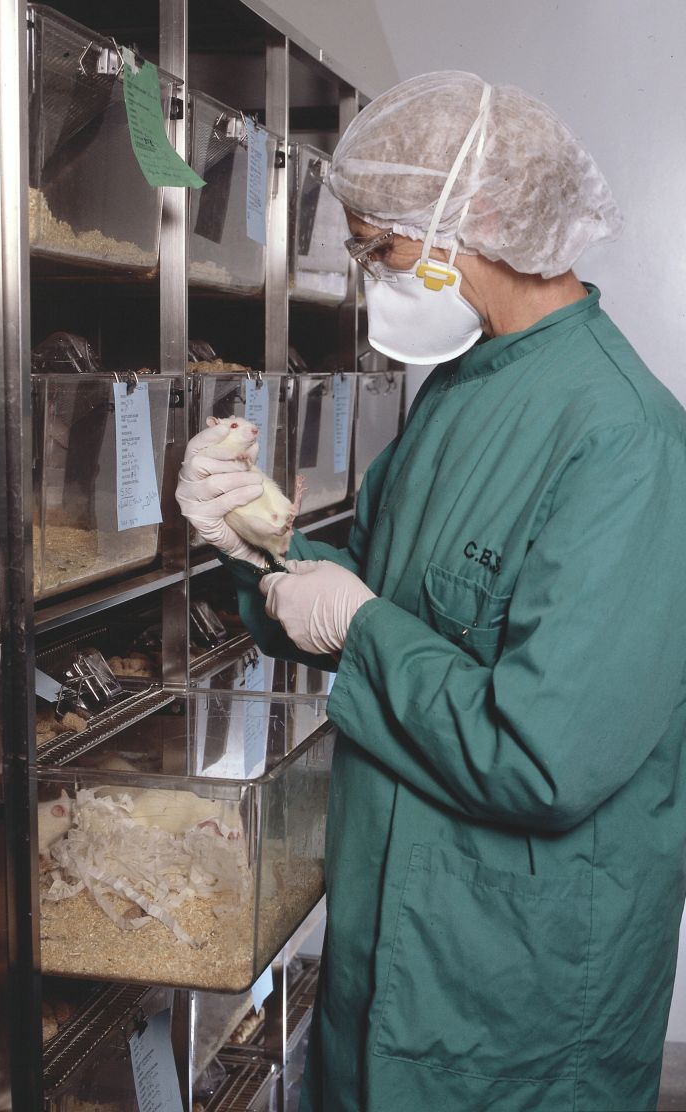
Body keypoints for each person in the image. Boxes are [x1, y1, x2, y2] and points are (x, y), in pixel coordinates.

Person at [176, 71, 686, 1111]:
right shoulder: (460, 386)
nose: (367, 275)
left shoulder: (623, 439)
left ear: (480, 219)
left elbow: (543, 757)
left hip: (517, 985)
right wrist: (255, 547)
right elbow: (369, 596)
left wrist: (359, 627)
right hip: (388, 930)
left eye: (380, 247)